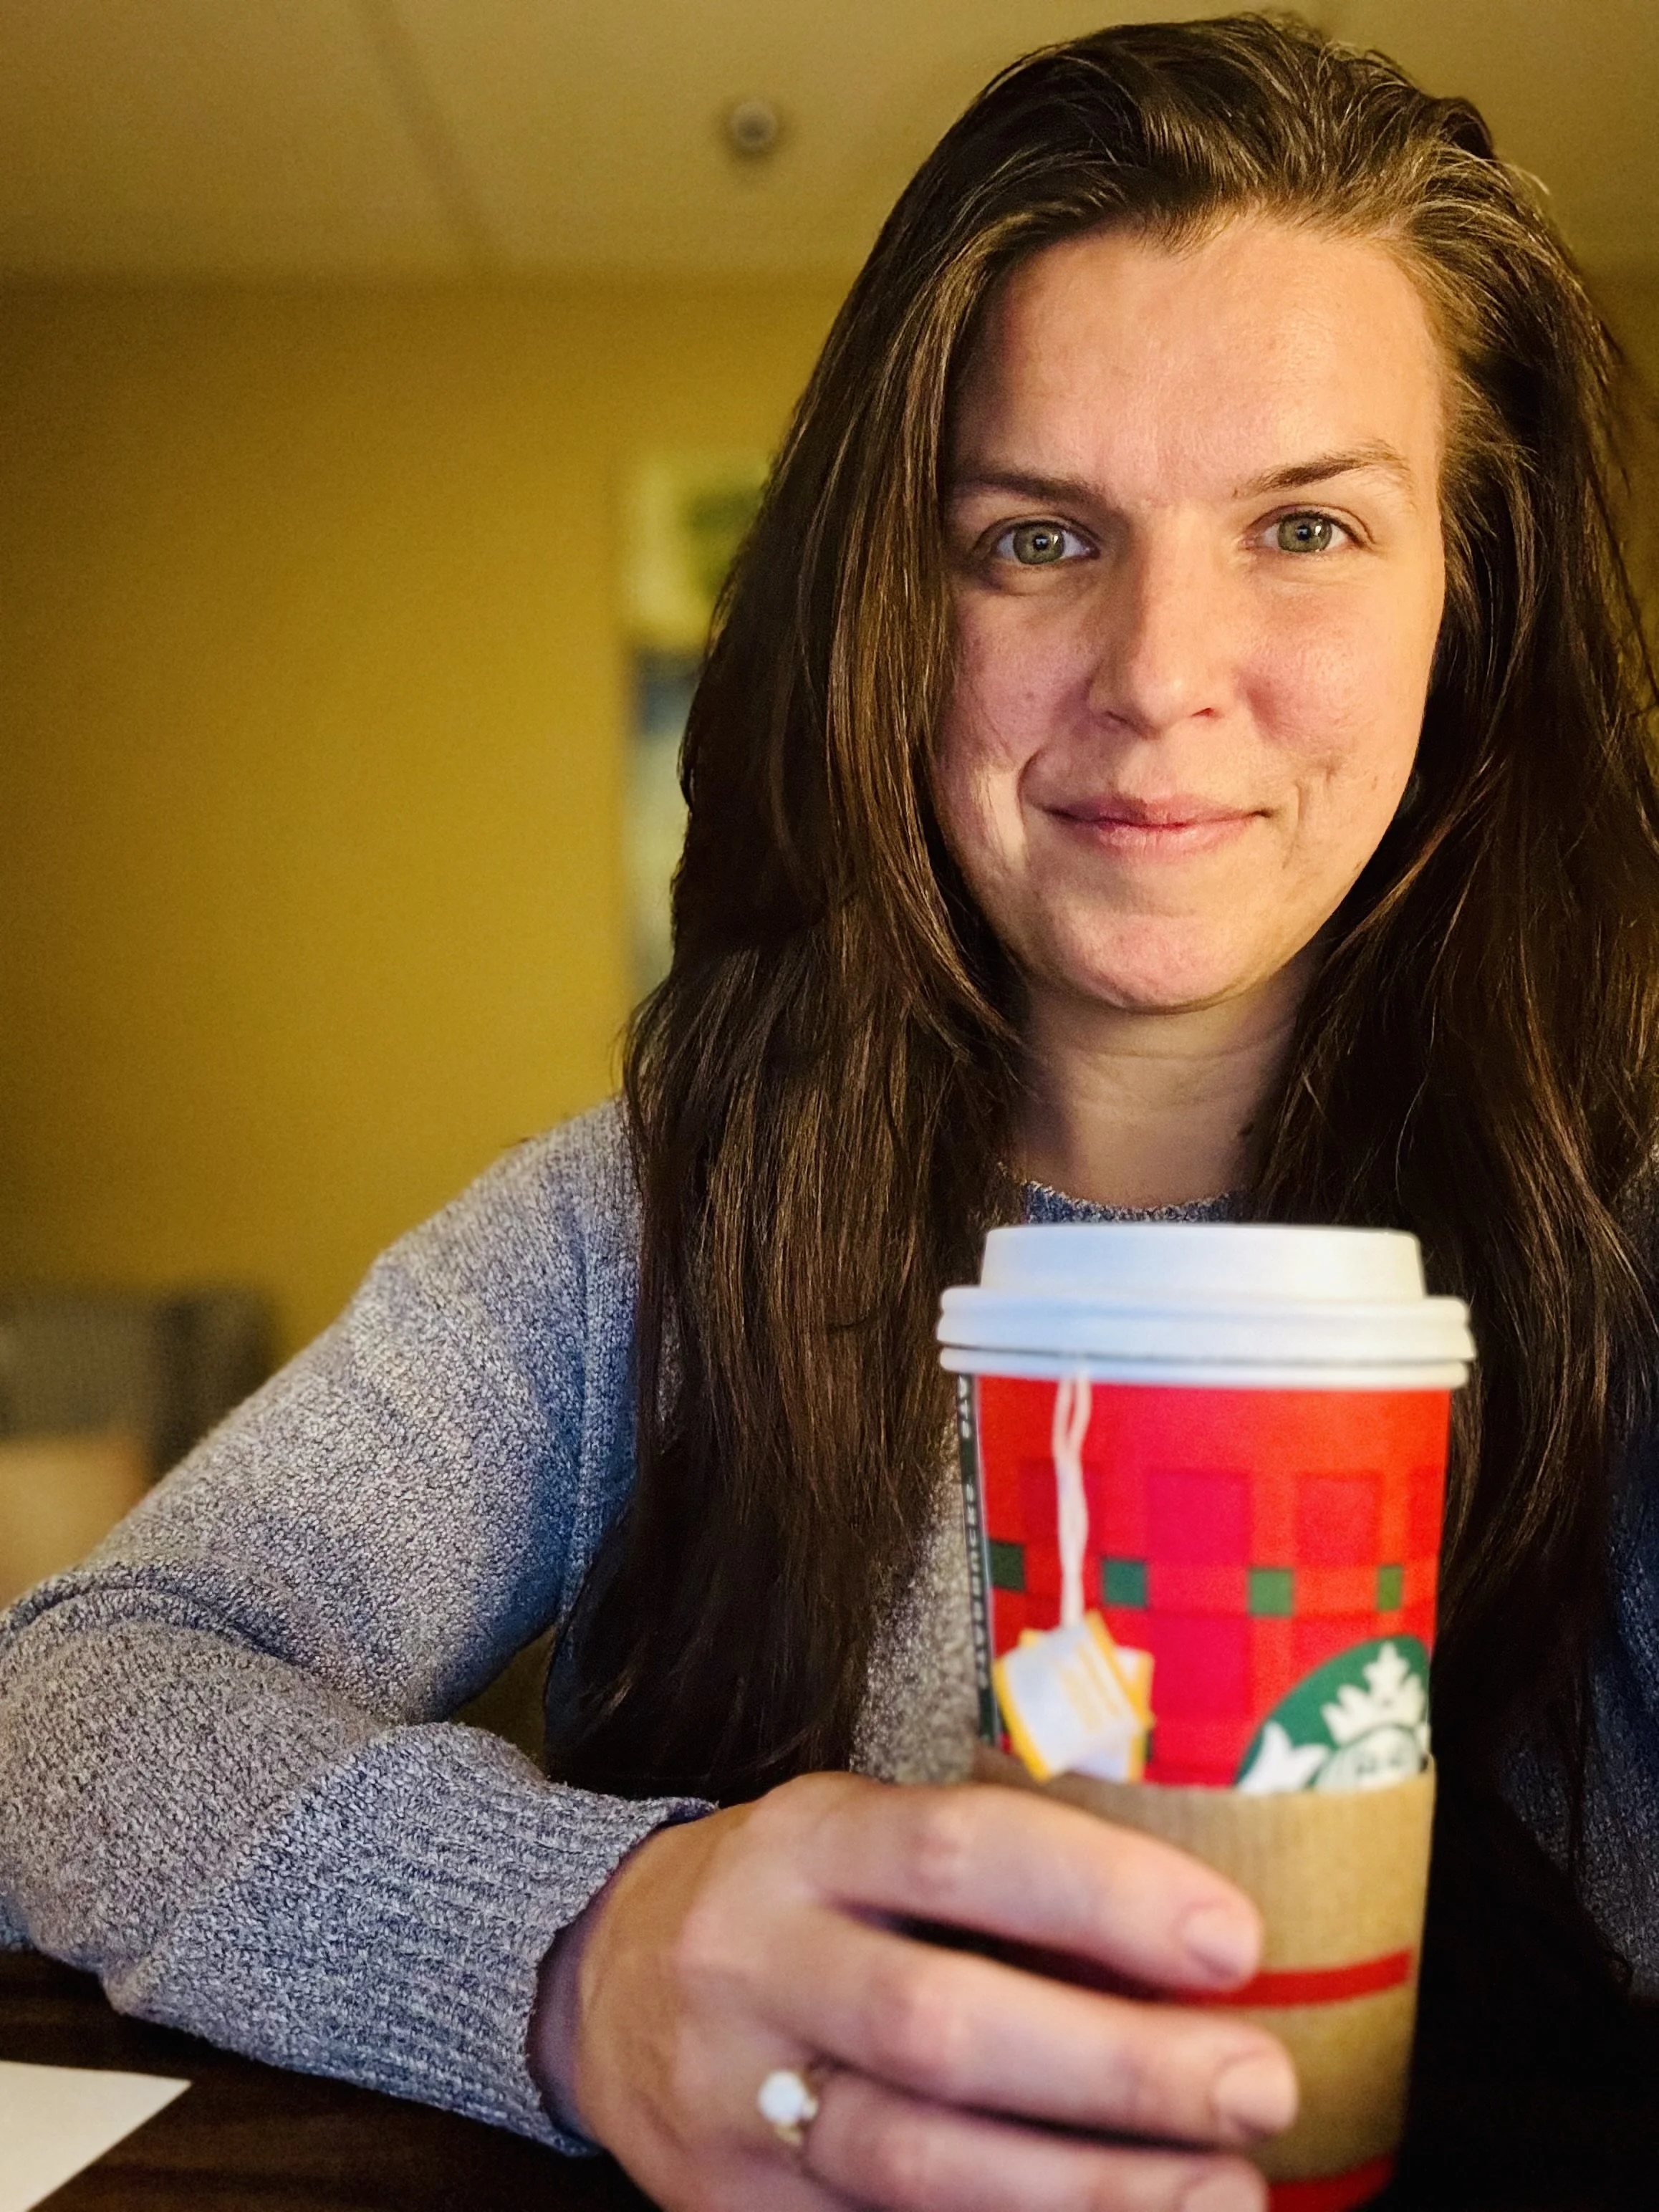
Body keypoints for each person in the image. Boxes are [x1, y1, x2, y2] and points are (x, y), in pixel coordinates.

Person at [4, 14, 1659, 2209]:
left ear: (1474, 599)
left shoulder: (1612, 1225)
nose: (1162, 667)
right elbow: (71, 1708)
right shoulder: (647, 1223)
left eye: (1304, 527)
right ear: (896, 601)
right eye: (1035, 541)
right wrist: (577, 1954)